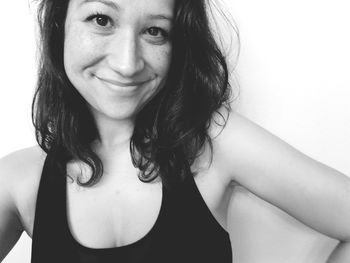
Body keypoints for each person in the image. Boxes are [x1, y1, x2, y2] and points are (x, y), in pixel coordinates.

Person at [0, 0, 349, 262]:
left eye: (155, 31)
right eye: (101, 20)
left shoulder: (214, 143)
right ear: (59, 24)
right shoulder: (19, 180)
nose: (127, 63)